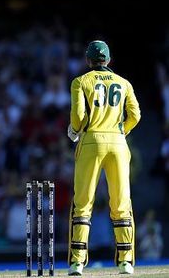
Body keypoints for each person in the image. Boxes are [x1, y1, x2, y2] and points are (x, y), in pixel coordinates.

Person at [66, 40, 141, 275]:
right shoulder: (124, 83)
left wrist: (76, 130)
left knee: (83, 204)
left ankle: (77, 262)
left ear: (88, 61)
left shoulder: (80, 81)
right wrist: (121, 130)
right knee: (121, 204)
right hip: (118, 143)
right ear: (108, 60)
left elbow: (78, 116)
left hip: (91, 141)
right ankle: (125, 261)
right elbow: (136, 115)